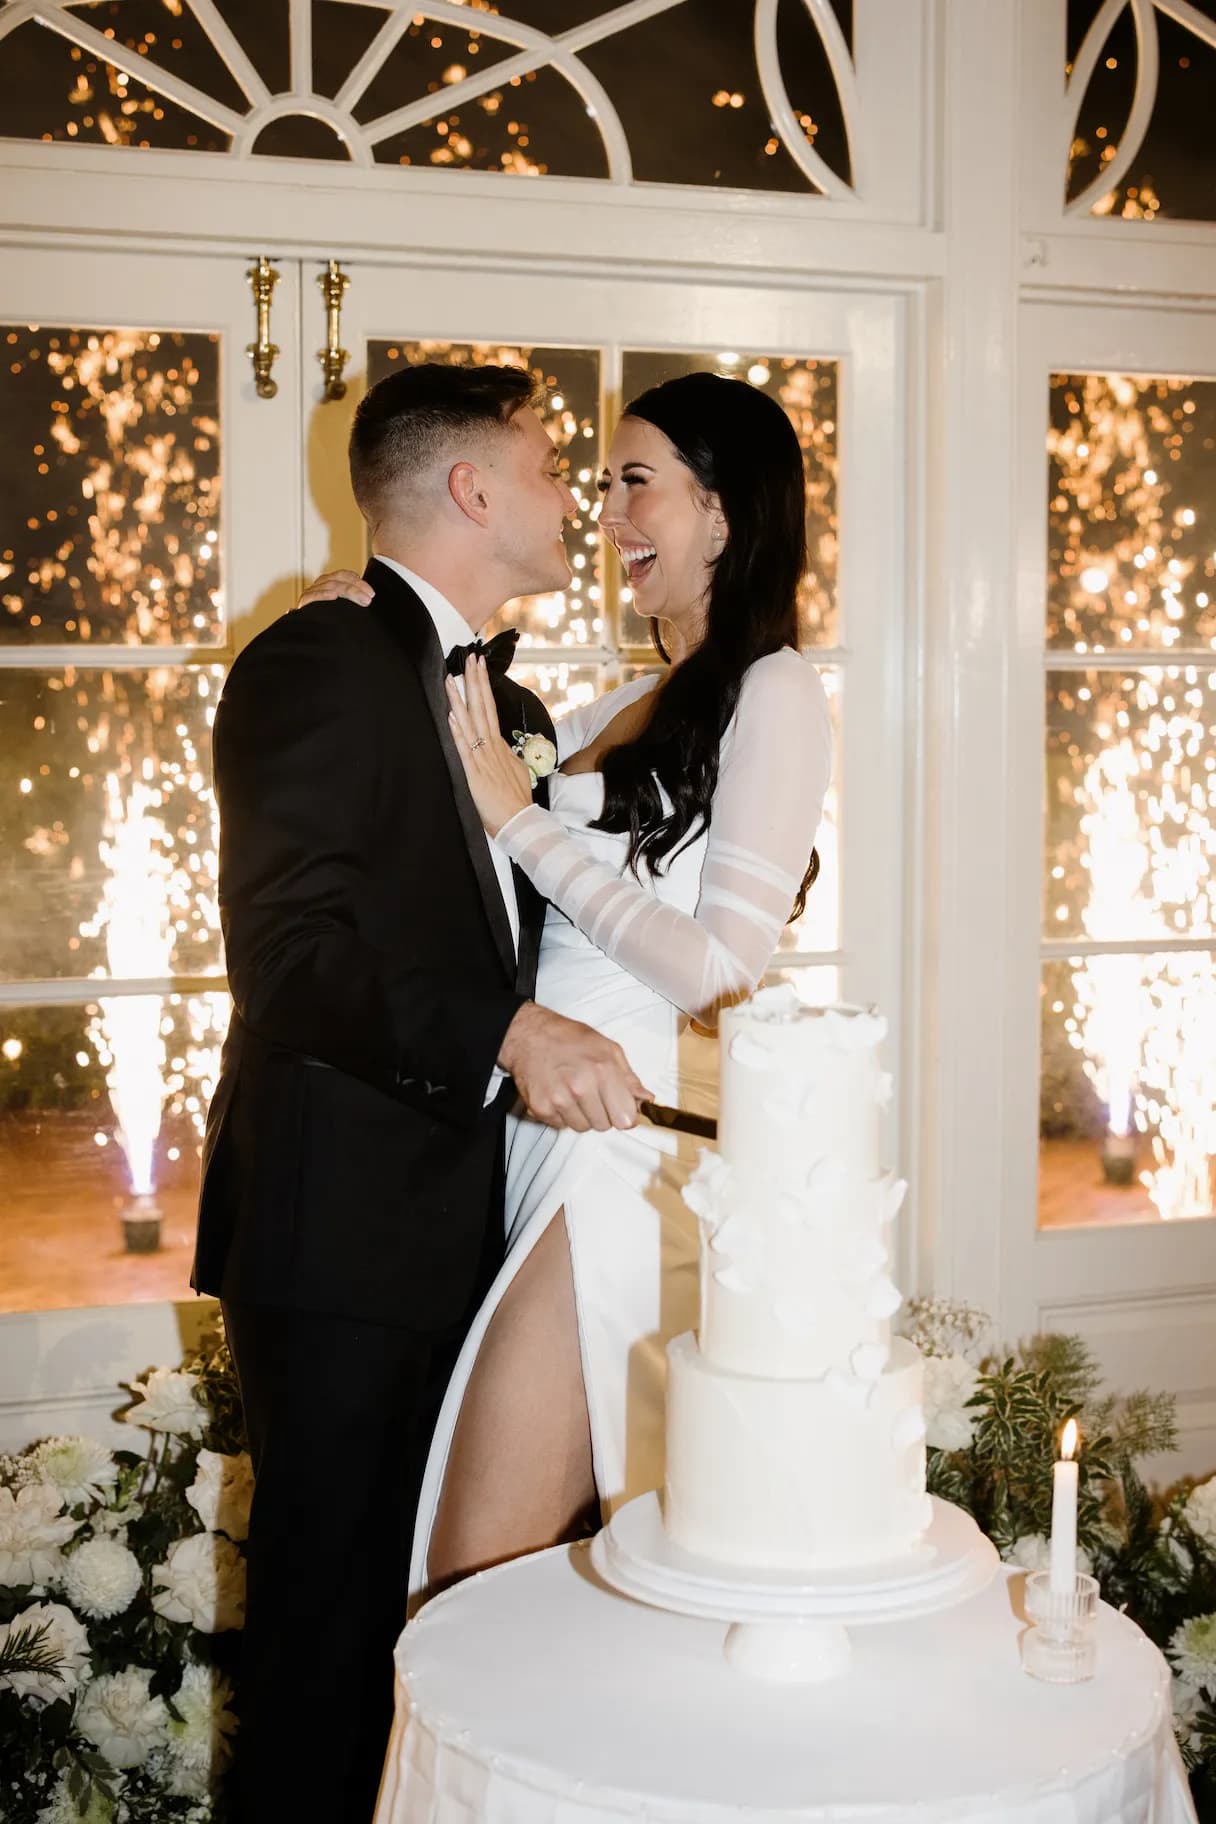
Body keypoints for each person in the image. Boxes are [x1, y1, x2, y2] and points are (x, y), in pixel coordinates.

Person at [192, 362, 650, 1824]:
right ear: (472, 489)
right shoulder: (318, 661)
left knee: (438, 1647)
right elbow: (290, 955)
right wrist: (511, 1035)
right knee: (328, 1654)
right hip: (339, 1242)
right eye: (551, 465)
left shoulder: (498, 694)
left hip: (469, 1229)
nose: (574, 495)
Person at [304, 371, 833, 1610]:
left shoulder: (779, 691)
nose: (604, 513)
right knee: (508, 1570)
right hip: (524, 1147)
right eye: (596, 483)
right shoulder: (611, 706)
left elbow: (721, 966)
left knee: (467, 1564)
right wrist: (364, 615)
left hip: (618, 1156)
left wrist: (520, 822)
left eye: (634, 481)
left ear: (722, 510)